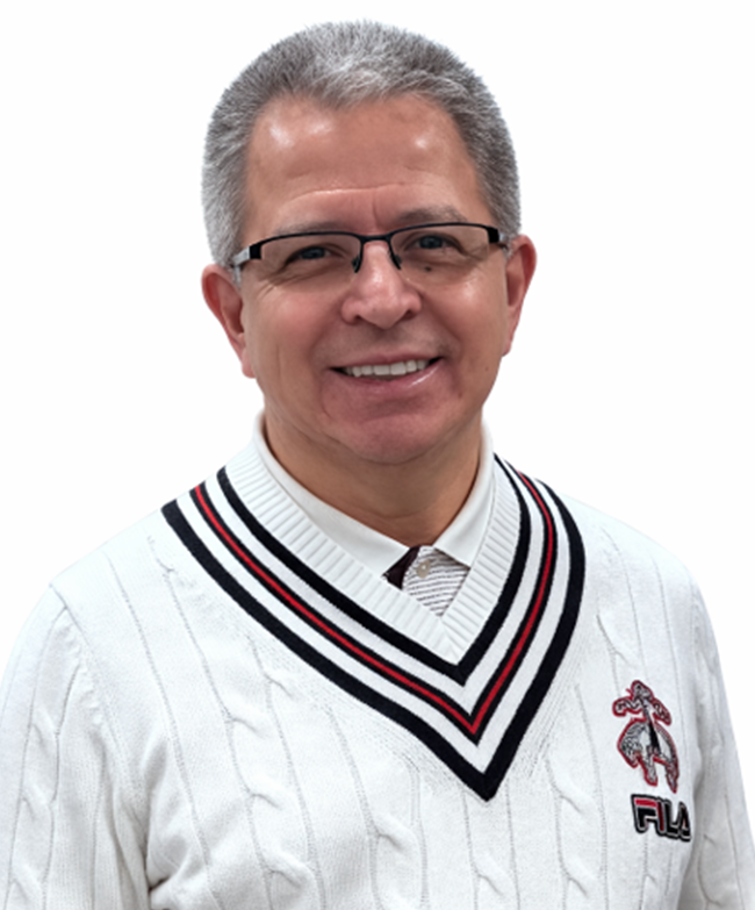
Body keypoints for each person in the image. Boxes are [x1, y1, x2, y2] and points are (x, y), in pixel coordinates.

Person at [1, 20, 752, 909]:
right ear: (234, 314)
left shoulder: (650, 603)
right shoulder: (99, 642)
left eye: (433, 241)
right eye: (311, 253)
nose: (384, 297)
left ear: (510, 287)